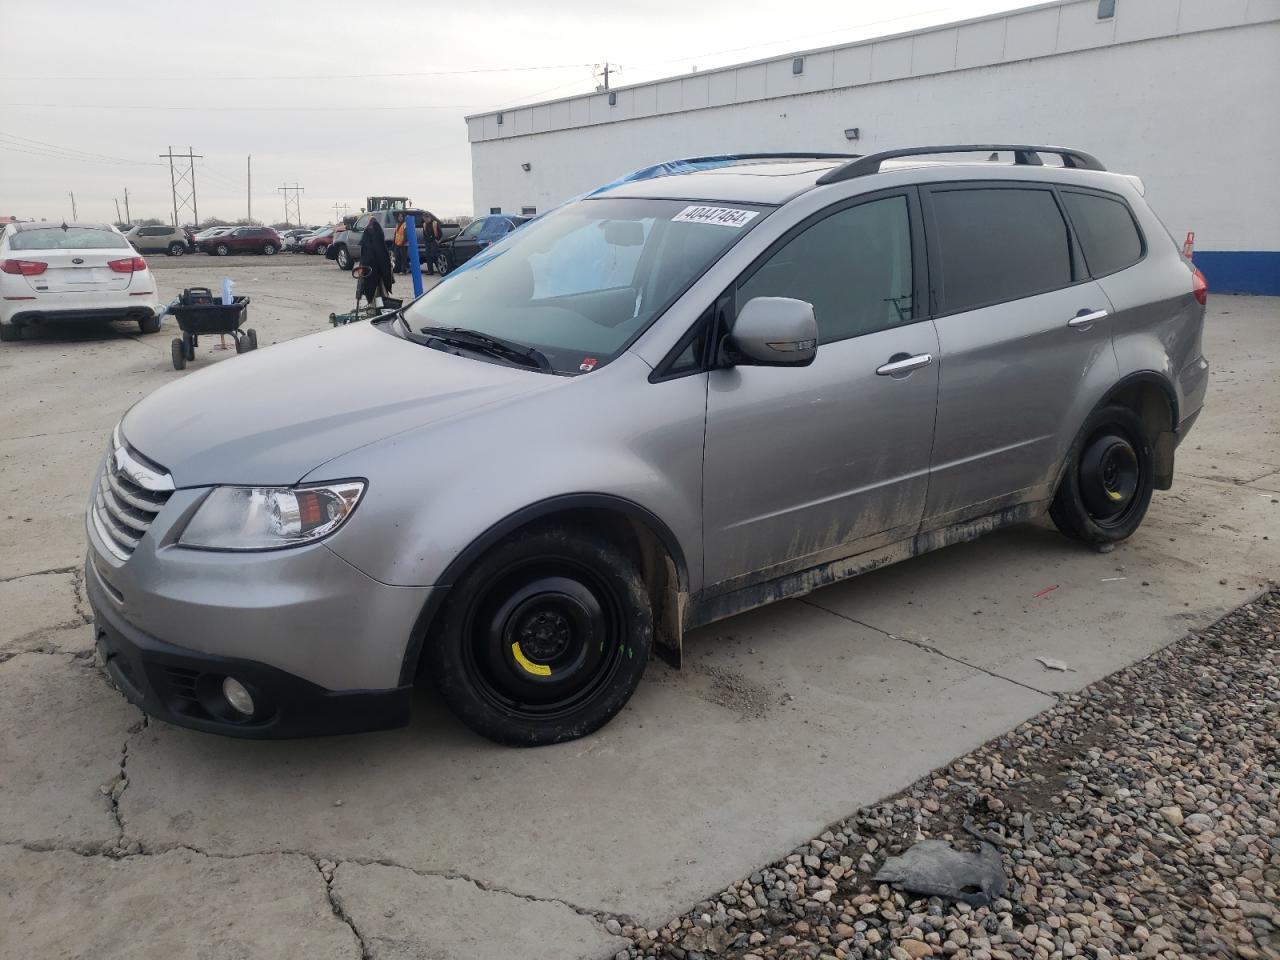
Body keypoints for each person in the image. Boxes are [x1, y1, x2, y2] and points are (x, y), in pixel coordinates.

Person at [359, 214, 394, 307]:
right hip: (375, 270)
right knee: (378, 292)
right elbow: (383, 257)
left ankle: (378, 307)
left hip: (373, 270)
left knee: (378, 292)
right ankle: (378, 307)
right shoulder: (376, 233)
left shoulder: (370, 235)